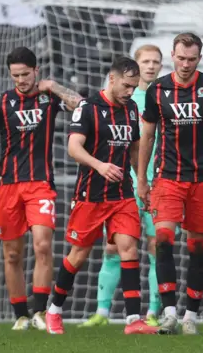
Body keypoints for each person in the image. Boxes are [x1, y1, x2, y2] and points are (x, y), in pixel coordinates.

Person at [0, 47, 82, 331]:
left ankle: (40, 311)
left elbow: (83, 106)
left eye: (25, 74)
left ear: (35, 71)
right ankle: (21, 315)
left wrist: (53, 86)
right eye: (15, 75)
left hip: (41, 184)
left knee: (42, 244)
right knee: (12, 254)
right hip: (8, 187)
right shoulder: (1, 104)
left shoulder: (49, 98)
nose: (20, 80)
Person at [45, 57, 159, 335]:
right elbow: (73, 147)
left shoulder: (132, 109)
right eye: (126, 85)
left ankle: (134, 320)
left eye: (134, 87)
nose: (130, 91)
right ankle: (54, 310)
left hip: (122, 195)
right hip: (91, 195)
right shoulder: (88, 108)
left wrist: (142, 182)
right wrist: (99, 164)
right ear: (112, 78)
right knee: (78, 255)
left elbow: (134, 149)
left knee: (129, 248)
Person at [137, 32, 203, 335]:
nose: (185, 64)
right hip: (167, 178)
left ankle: (191, 315)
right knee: (163, 239)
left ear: (199, 59)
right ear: (173, 55)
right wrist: (141, 178)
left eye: (192, 59)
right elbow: (147, 136)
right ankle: (169, 313)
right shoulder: (158, 89)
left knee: (197, 247)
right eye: (181, 58)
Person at [80, 44, 170, 328]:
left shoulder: (167, 97)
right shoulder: (125, 99)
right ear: (135, 65)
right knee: (113, 248)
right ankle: (102, 312)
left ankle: (154, 312)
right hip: (124, 183)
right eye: (146, 61)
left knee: (158, 246)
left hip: (160, 183)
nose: (151, 66)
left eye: (156, 61)